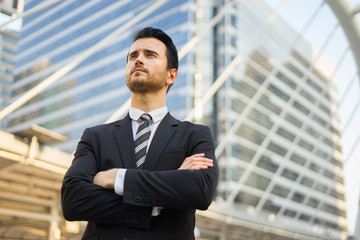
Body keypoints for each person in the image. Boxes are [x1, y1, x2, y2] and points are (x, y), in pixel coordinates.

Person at [61, 27, 219, 240]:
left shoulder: (195, 135)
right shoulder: (95, 137)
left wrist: (118, 178)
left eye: (150, 55)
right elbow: (73, 201)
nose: (138, 60)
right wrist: (162, 194)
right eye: (133, 56)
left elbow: (200, 191)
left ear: (171, 75)